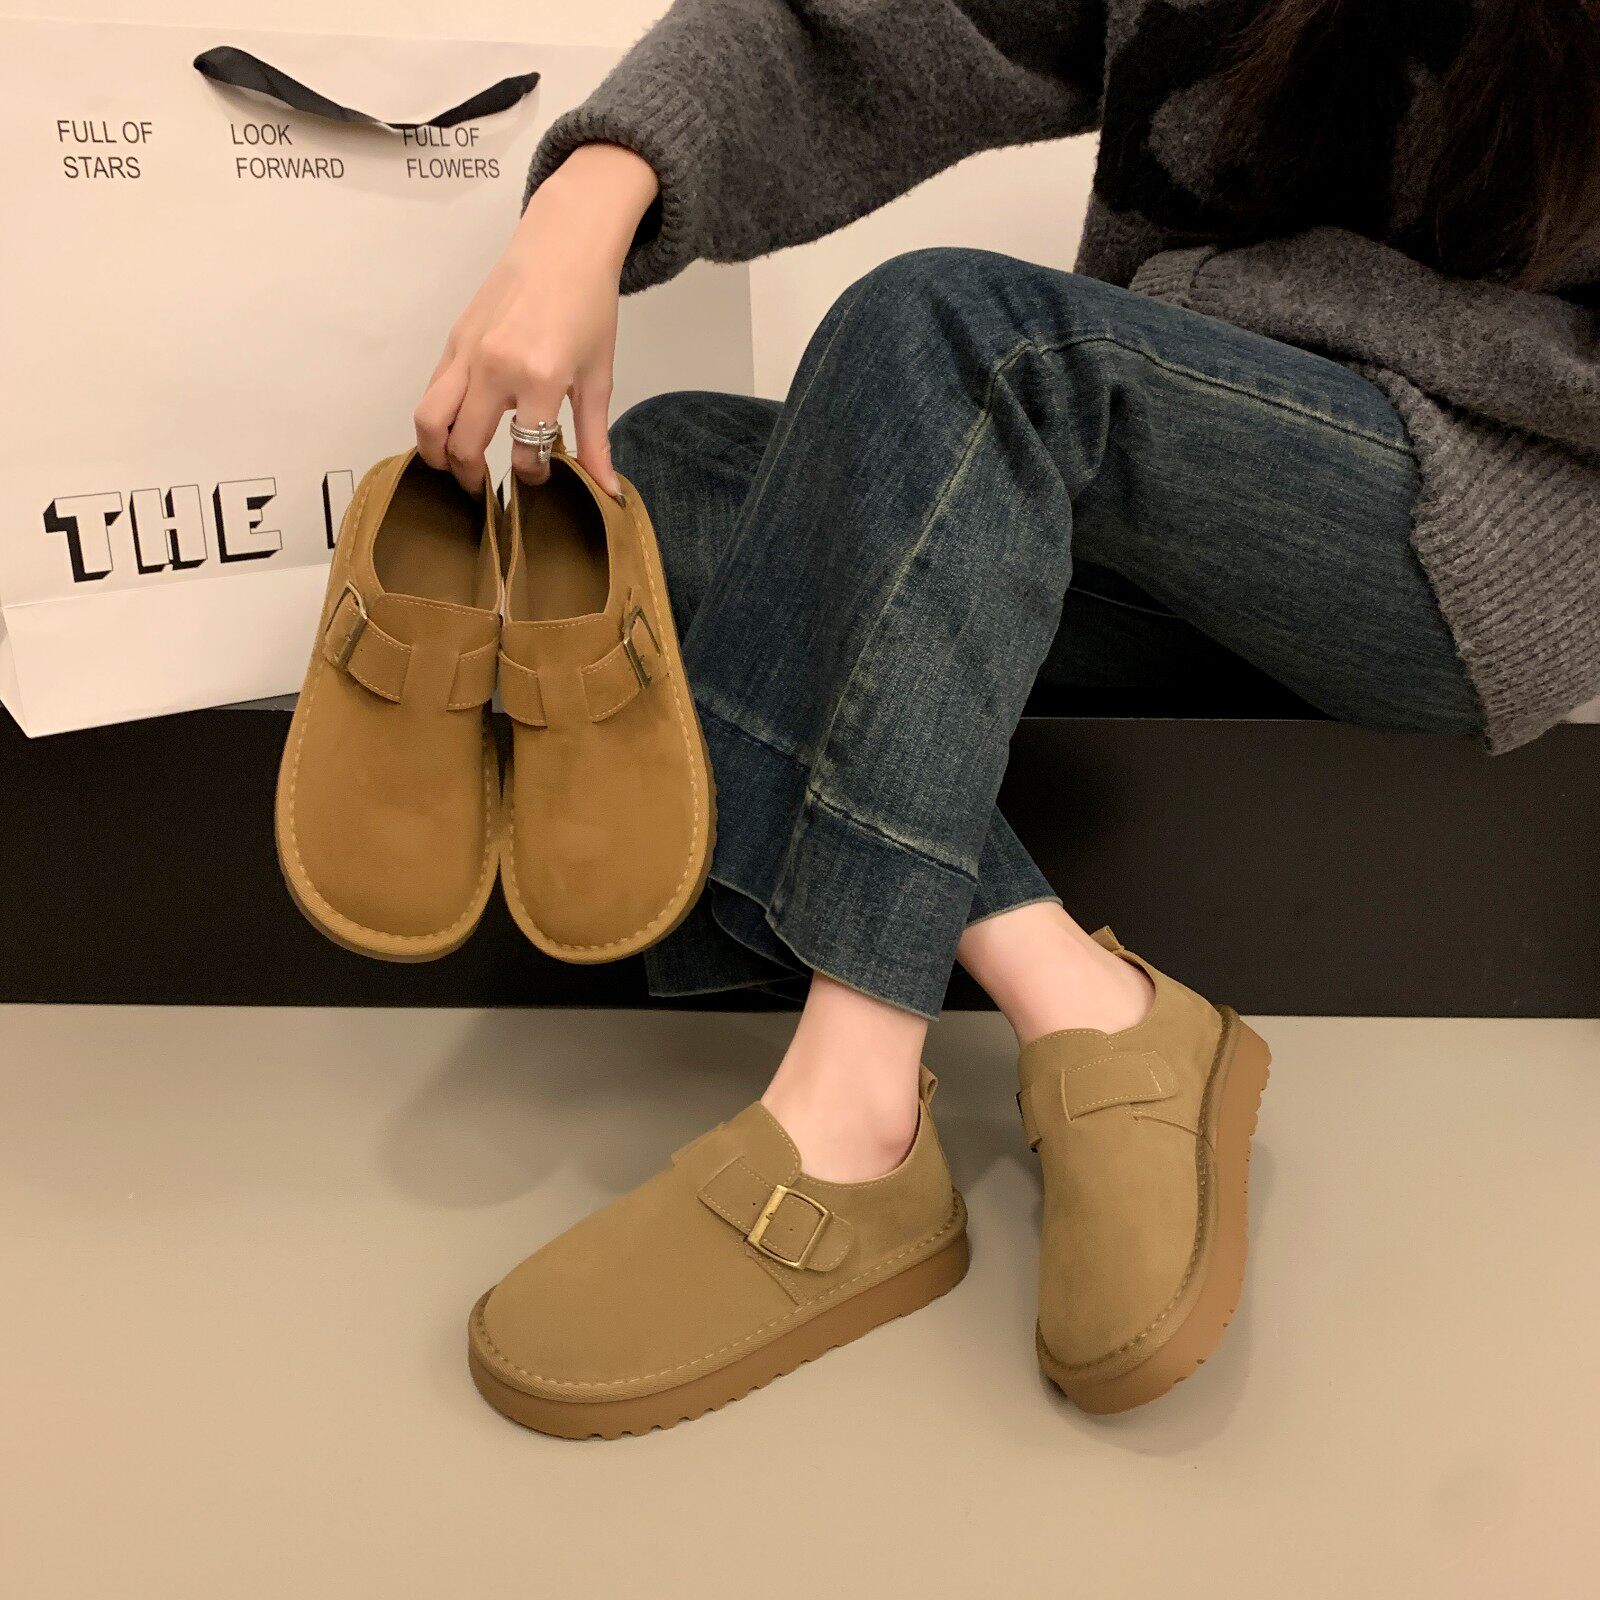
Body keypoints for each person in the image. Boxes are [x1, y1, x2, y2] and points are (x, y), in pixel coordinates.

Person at [430, 0, 1600, 1435]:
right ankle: (1085, 1001)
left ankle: (852, 1117)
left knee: (955, 331)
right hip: (1163, 474)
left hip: (1467, 527)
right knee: (658, 482)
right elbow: (870, 30)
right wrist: (585, 204)